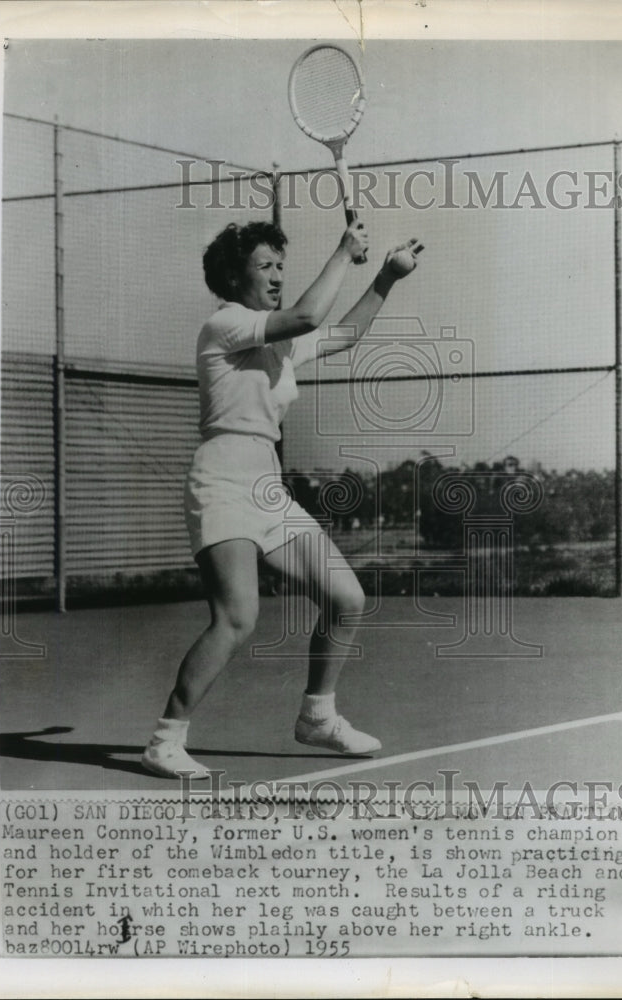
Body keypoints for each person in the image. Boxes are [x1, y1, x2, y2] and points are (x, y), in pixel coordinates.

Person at [142, 219, 423, 778]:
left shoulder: (278, 343)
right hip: (221, 479)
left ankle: (318, 716)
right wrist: (343, 252)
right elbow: (309, 314)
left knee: (347, 597)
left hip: (266, 486)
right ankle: (164, 741)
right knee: (238, 616)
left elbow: (340, 334)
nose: (276, 275)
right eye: (264, 266)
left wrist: (387, 278)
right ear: (232, 277)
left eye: (279, 265)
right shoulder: (224, 324)